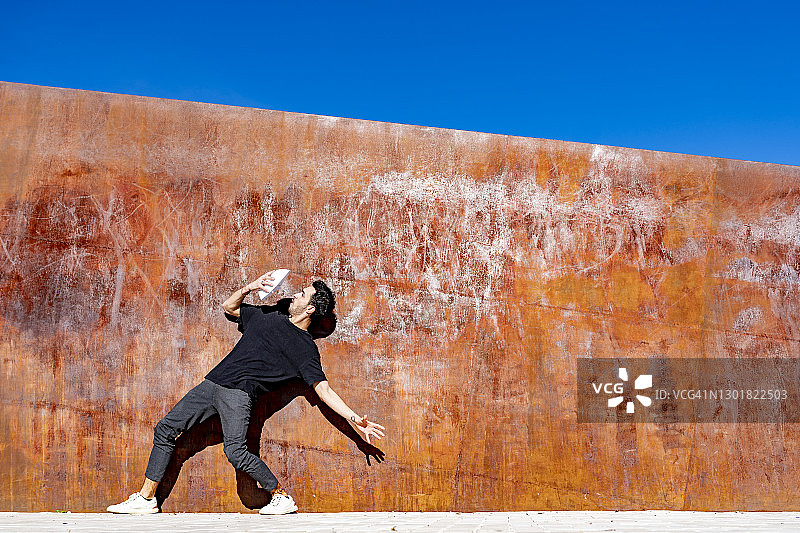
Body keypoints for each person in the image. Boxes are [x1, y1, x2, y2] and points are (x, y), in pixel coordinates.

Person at [107, 271, 386, 515]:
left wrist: (355, 419)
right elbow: (230, 309)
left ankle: (280, 495)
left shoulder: (304, 348)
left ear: (310, 309)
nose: (295, 295)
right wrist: (249, 288)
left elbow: (323, 389)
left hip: (238, 395)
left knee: (236, 452)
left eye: (302, 294)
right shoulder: (272, 314)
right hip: (213, 384)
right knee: (165, 428)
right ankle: (146, 498)